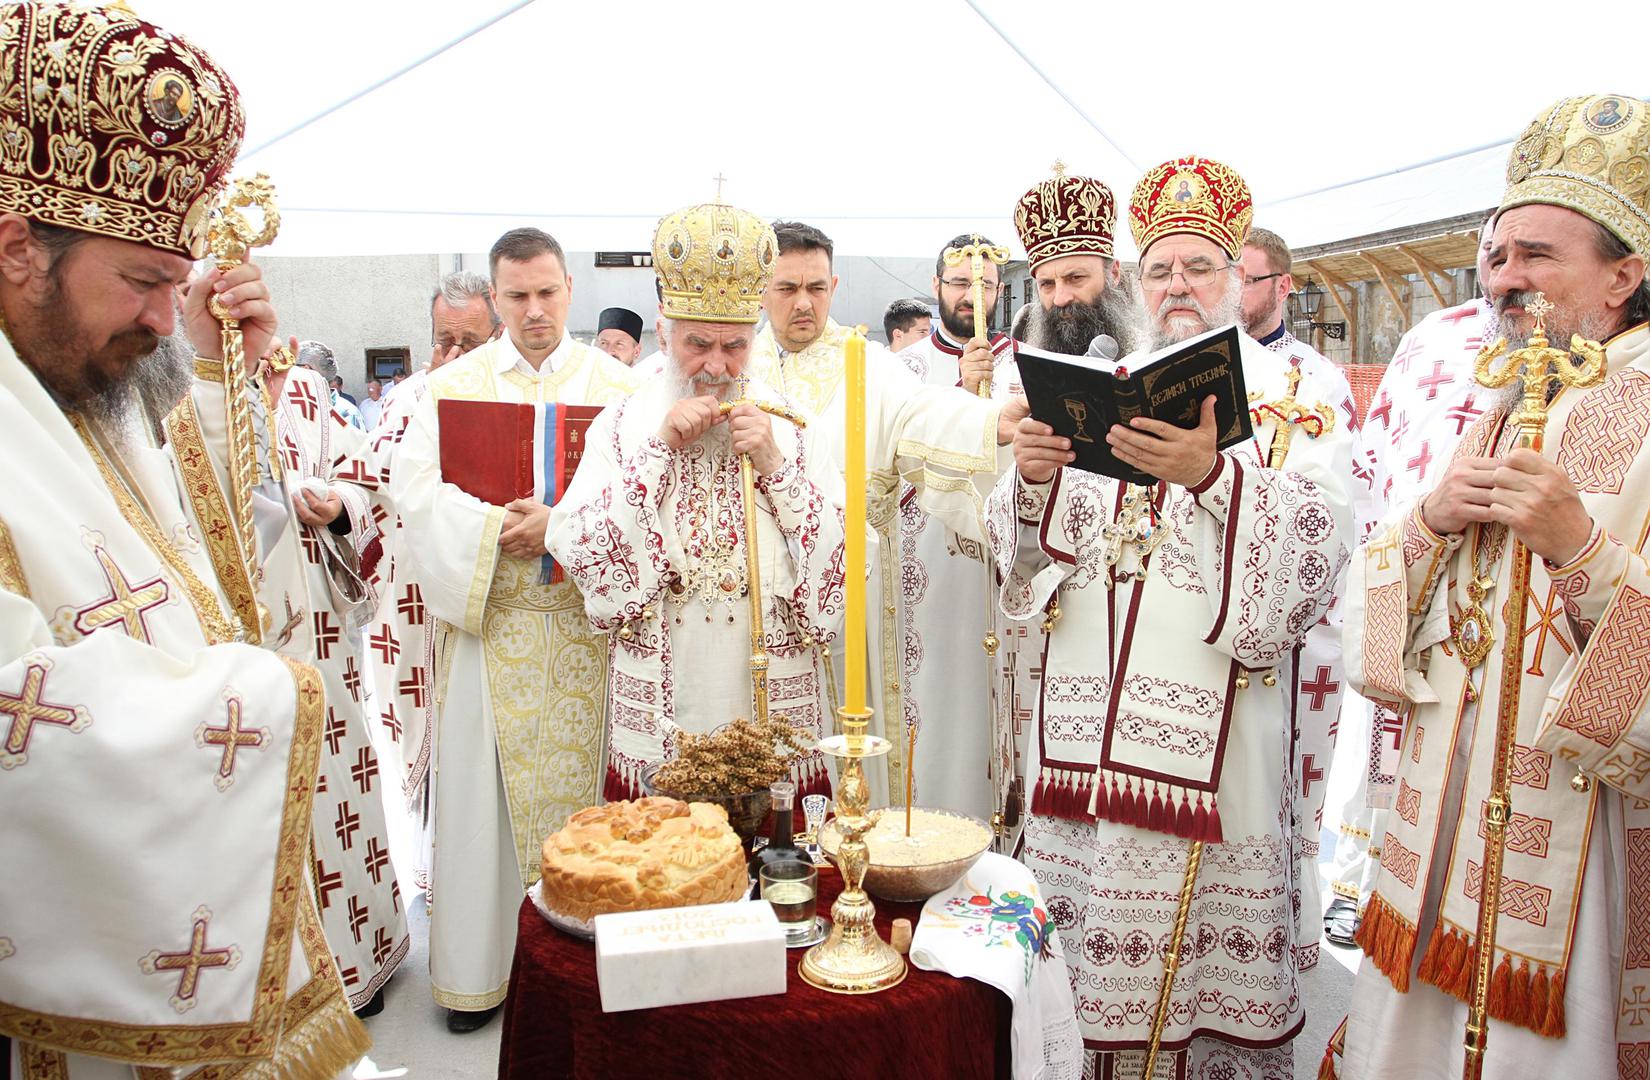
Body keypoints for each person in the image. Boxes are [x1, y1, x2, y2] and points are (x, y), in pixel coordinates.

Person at [0, 2, 368, 1074]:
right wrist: (269, 704)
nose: (165, 316)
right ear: (19, 247)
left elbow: (176, 558)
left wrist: (212, 372)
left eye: (177, 281)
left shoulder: (66, 383)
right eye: (143, 281)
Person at [989, 155, 1353, 1077]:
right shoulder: (1099, 385)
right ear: (1136, 281)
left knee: (1194, 1004)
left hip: (1215, 764)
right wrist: (1029, 481)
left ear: (1236, 275)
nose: (1178, 285)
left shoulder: (1295, 400)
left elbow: (1321, 552)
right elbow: (1029, 566)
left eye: (1199, 266)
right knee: (1079, 988)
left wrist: (1213, 477)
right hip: (1081, 750)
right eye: (1160, 269)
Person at [1333, 95, 1650, 1080]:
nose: (1505, 277)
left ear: (1624, 276)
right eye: (1498, 255)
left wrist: (1578, 548)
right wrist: (1428, 524)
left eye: (1538, 255)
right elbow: (1387, 624)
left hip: (1579, 837)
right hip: (1443, 823)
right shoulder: (1506, 402)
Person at [393, 227, 640, 1030]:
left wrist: (561, 527)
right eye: (517, 296)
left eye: (547, 292)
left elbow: (641, 496)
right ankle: (482, 974)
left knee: (591, 807)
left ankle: (587, 980)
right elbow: (415, 494)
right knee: (482, 809)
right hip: (491, 621)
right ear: (495, 297)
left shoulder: (618, 386)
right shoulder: (449, 388)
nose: (534, 310)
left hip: (587, 631)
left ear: (569, 288)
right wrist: (497, 526)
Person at [549, 201, 845, 792]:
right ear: (665, 331)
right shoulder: (623, 425)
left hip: (770, 691)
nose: (716, 365)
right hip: (665, 692)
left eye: (734, 346)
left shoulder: (792, 426)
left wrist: (775, 466)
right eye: (698, 343)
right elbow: (578, 548)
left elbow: (843, 564)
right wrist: (658, 451)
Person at [750, 219, 1027, 803]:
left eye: (817, 287)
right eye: (787, 288)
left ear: (834, 285)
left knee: (848, 743)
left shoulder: (869, 364)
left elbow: (924, 415)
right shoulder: (739, 364)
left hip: (852, 595)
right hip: (755, 598)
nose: (804, 303)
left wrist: (990, 425)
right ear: (761, 289)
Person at [1321, 215, 1499, 949]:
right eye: (1493, 252)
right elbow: (1375, 451)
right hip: (1412, 560)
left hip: (1503, 579)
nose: (1505, 270)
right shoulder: (1435, 334)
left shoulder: (1592, 357)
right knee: (1382, 739)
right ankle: (1358, 887)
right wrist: (1378, 559)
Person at [255, 339, 409, 1017]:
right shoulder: (165, 391)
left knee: (339, 784)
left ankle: (362, 955)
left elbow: (364, 479)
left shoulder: (304, 390)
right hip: (243, 632)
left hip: (319, 632)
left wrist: (338, 503)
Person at [1240, 225, 1369, 972]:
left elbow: (1341, 504)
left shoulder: (1315, 378)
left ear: (1283, 285)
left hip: (1300, 611)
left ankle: (1287, 917)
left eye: (1249, 278)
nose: (1236, 291)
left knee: (1291, 771)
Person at [365, 269, 500, 910]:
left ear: (495, 335)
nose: (452, 355)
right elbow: (366, 488)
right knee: (423, 739)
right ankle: (434, 877)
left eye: (468, 343)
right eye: (443, 340)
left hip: (484, 605)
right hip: (410, 607)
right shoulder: (403, 401)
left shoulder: (504, 398)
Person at [891, 230, 1026, 824]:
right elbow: (887, 466)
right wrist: (963, 397)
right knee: (935, 702)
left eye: (986, 285)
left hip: (1003, 569)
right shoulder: (905, 370)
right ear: (936, 286)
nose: (973, 296)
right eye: (960, 283)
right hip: (926, 572)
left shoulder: (1026, 366)